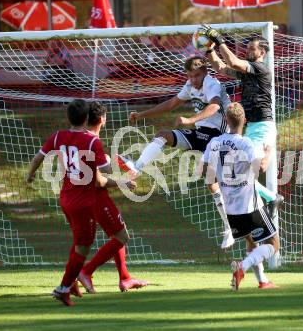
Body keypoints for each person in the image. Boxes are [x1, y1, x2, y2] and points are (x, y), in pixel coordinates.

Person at [117, 56, 235, 249]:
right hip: (202, 133)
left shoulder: (212, 84)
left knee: (211, 179)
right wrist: (141, 115)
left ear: (205, 72)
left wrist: (190, 120)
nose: (194, 80)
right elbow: (171, 104)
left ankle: (229, 227)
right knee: (163, 135)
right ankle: (137, 168)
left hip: (219, 136)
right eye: (190, 76)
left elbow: (214, 106)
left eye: (197, 75)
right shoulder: (190, 86)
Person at [26, 99, 134, 306]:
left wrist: (30, 175)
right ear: (87, 118)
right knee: (83, 247)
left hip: (65, 198)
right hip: (83, 202)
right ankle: (64, 287)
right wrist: (123, 182)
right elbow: (102, 179)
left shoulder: (58, 136)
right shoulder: (92, 142)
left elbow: (38, 157)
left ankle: (71, 283)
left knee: (79, 243)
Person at [202, 25, 283, 218]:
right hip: (253, 127)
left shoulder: (260, 68)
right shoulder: (247, 70)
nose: (248, 52)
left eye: (251, 50)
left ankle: (271, 198)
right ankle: (270, 199)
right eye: (246, 50)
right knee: (236, 173)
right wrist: (209, 49)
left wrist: (219, 39)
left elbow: (232, 61)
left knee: (241, 171)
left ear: (262, 52)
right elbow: (221, 67)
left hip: (262, 127)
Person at [202, 102, 280, 290]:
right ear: (244, 121)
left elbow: (206, 175)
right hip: (249, 205)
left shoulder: (214, 143)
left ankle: (263, 281)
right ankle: (242, 267)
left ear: (226, 120)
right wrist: (269, 153)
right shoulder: (246, 143)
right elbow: (260, 167)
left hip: (230, 209)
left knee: (251, 242)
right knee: (273, 244)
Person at [77, 102, 148, 294]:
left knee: (117, 234)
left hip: (81, 197)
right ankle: (86, 271)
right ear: (102, 119)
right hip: (96, 197)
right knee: (122, 236)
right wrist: (125, 178)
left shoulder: (80, 139)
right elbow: (100, 178)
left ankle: (125, 278)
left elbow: (99, 168)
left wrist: (115, 165)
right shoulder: (93, 141)